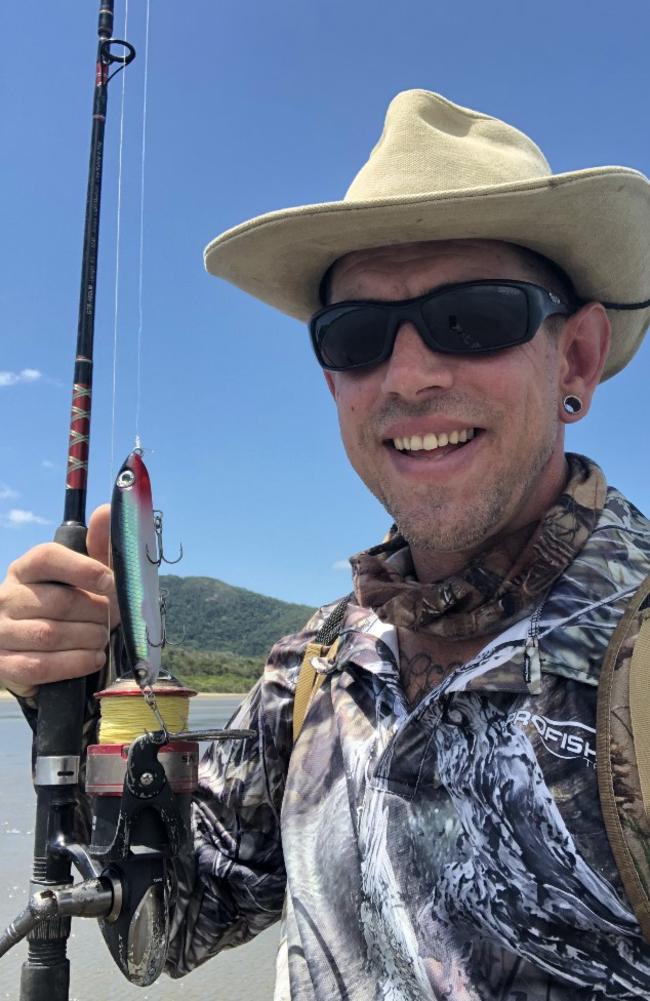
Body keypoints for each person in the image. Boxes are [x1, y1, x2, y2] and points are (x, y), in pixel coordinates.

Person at [2, 90, 650, 1000]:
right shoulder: (309, 668)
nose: (412, 372)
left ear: (577, 358)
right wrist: (79, 698)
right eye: (358, 336)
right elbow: (169, 932)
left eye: (476, 317)